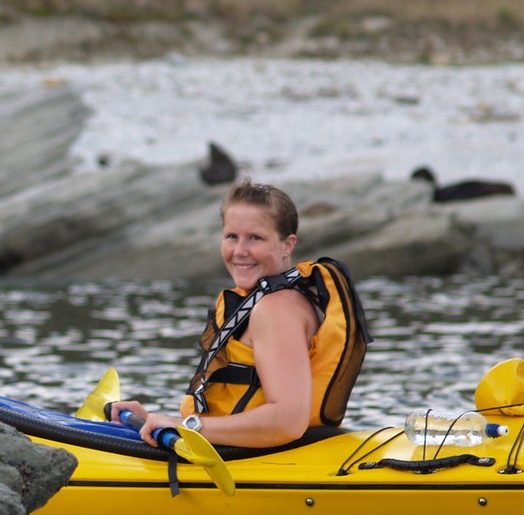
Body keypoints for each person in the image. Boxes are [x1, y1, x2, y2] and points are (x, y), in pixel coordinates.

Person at [112, 179, 367, 450]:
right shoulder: (257, 301)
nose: (239, 251)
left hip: (270, 462)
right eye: (231, 236)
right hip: (242, 453)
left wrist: (186, 426)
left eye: (255, 238)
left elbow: (287, 421)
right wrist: (150, 420)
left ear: (287, 245)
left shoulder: (277, 309)